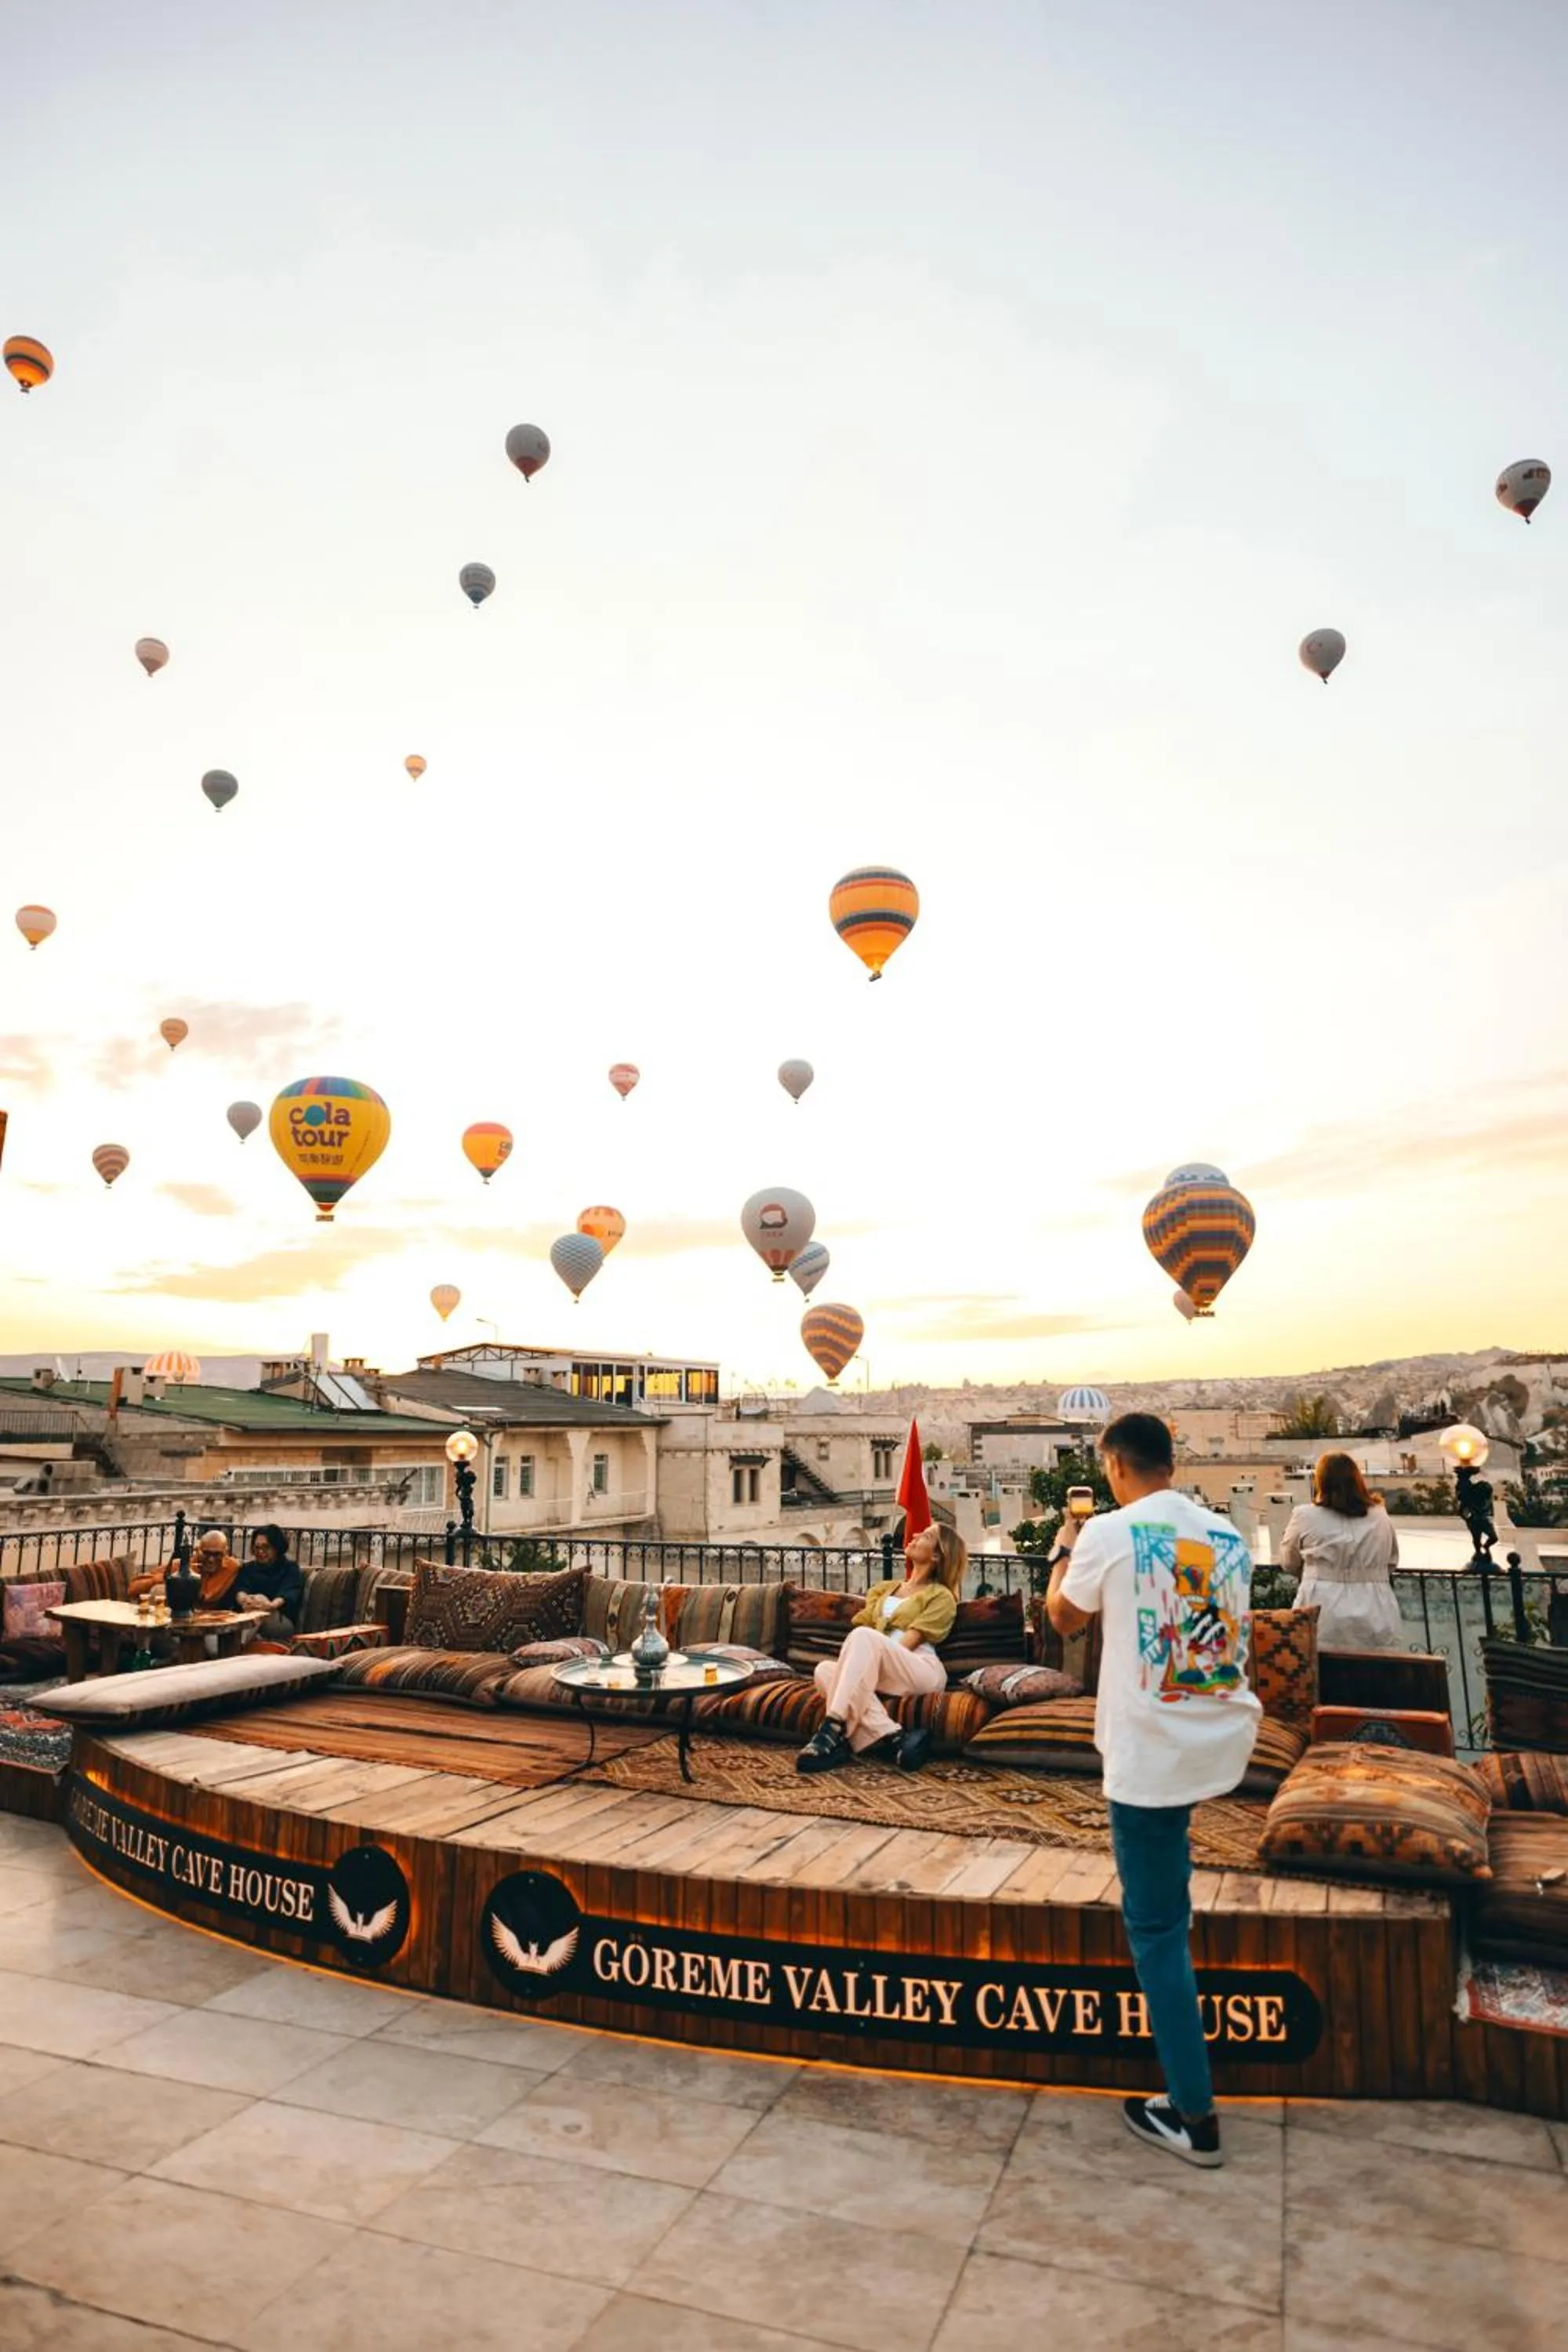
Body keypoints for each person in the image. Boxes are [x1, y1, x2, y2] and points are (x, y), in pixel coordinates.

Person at [1049, 1411, 1259, 2169]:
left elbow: (1065, 1619)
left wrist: (1063, 1548)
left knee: (1156, 1930)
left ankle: (1194, 2115)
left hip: (1149, 1753)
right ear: (1170, 1462)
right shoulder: (1226, 1536)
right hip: (1219, 1737)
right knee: (1171, 1898)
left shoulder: (1109, 1532)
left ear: (1114, 1466)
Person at [795, 1522, 967, 1776]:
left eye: (926, 1535)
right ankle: (894, 1737)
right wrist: (863, 1669)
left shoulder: (941, 1596)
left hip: (918, 1666)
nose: (915, 1535)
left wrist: (869, 1664)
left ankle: (831, 1729)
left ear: (937, 1555)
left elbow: (910, 1642)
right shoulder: (884, 1590)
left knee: (863, 1637)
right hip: (881, 1662)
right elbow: (865, 1639)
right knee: (824, 1671)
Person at [1278, 1454, 1401, 1650]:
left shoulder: (1304, 1516)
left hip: (1321, 1608)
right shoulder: (1380, 1516)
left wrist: (1315, 1571)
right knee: (1375, 1673)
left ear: (1321, 1482)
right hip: (1376, 1609)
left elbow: (1289, 1561)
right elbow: (1392, 1560)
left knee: (1322, 1672)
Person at [129, 1528, 243, 1608]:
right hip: (179, 1620)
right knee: (159, 1590)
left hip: (214, 1620)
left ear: (226, 1553)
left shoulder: (233, 1567)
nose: (211, 1559)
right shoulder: (181, 1566)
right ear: (198, 1550)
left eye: (217, 1554)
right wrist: (165, 1579)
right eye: (206, 1553)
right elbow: (133, 1588)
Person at [234, 1526, 305, 1639]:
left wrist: (267, 1606)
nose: (260, 1552)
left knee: (260, 1602)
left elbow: (287, 1595)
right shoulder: (248, 1569)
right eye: (257, 1547)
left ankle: (239, 1644)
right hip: (249, 1616)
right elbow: (240, 1590)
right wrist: (246, 1601)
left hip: (280, 1621)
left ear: (277, 1548)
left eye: (266, 1547)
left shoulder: (290, 1568)